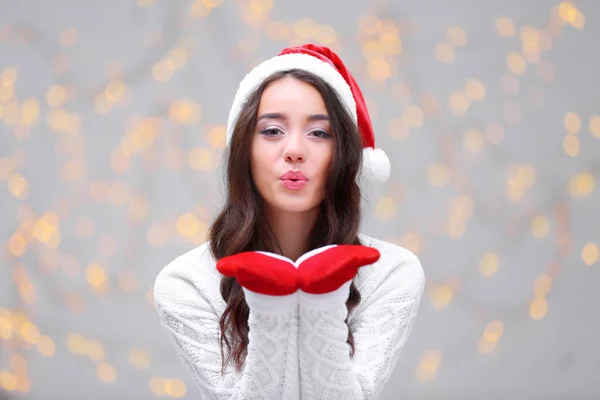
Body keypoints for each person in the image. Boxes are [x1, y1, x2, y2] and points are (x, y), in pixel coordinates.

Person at [153, 43, 426, 399]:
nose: (295, 150)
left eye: (319, 133)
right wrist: (270, 305)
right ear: (244, 150)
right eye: (272, 131)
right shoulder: (186, 283)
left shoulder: (391, 273)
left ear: (342, 153)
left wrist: (323, 301)